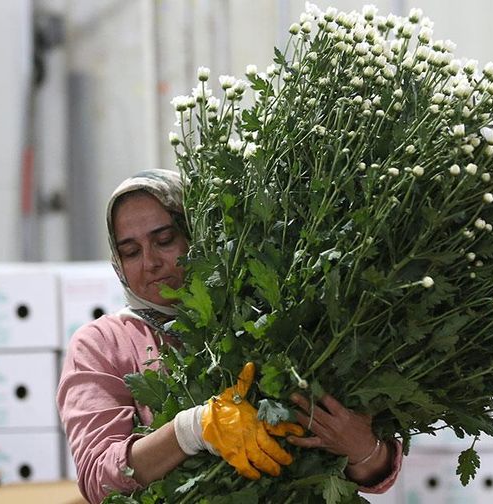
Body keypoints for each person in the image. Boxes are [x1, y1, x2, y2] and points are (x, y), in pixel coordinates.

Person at [57, 169, 401, 503]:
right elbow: (98, 478)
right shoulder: (102, 344)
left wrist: (363, 448)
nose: (150, 262)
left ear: (200, 232)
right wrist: (192, 429)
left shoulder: (266, 314)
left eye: (165, 240)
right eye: (130, 252)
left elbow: (374, 471)